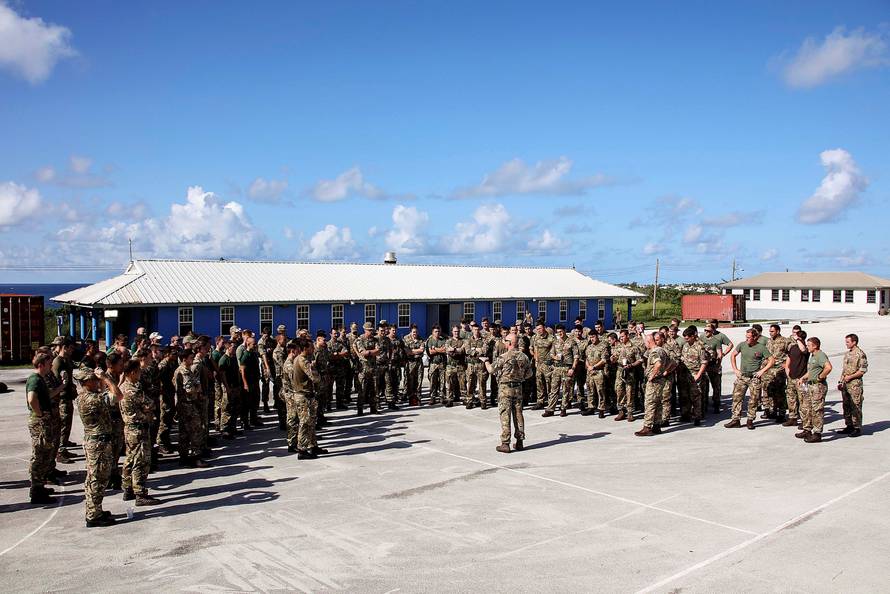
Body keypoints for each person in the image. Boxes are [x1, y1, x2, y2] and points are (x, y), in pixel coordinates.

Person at [74, 365, 123, 527]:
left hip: (93, 440)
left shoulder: (82, 397)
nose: (97, 382)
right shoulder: (94, 399)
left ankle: (95, 509)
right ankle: (93, 515)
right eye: (93, 380)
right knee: (98, 478)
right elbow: (118, 395)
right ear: (86, 382)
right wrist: (106, 378)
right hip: (98, 443)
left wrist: (101, 381)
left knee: (94, 477)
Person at [119, 359, 161, 506]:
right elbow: (150, 404)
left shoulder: (122, 386)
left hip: (129, 428)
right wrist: (147, 409)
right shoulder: (133, 390)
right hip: (138, 428)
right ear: (132, 372)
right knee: (141, 461)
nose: (140, 373)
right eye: (138, 371)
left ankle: (128, 488)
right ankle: (140, 493)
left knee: (130, 458)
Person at [26, 352, 66, 504]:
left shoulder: (40, 379)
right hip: (39, 422)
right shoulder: (35, 380)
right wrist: (39, 413)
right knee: (39, 454)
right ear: (41, 365)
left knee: (45, 453)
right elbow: (31, 399)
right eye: (49, 364)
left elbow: (47, 395)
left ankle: (40, 486)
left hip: (43, 420)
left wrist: (62, 386)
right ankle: (36, 490)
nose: (51, 366)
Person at [484, 332, 533, 453]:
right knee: (518, 414)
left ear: (510, 343)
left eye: (506, 340)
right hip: (518, 388)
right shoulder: (524, 357)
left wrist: (486, 361)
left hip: (505, 388)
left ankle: (505, 443)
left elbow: (491, 370)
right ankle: (520, 441)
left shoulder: (504, 357)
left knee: (505, 414)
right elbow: (530, 374)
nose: (504, 342)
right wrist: (519, 377)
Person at [726, 329, 774, 430]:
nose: (746, 339)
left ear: (755, 337)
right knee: (737, 398)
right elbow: (733, 355)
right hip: (742, 376)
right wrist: (735, 369)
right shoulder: (742, 345)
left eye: (749, 337)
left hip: (754, 378)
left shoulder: (761, 348)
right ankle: (736, 420)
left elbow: (771, 360)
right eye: (746, 337)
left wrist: (762, 371)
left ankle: (750, 420)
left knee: (754, 400)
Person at [292, 337, 328, 459]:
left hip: (307, 395)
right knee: (305, 423)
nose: (313, 349)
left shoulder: (301, 359)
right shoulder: (303, 361)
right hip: (303, 396)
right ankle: (302, 449)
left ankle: (313, 445)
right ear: (305, 348)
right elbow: (315, 378)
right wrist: (314, 368)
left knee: (311, 422)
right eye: (311, 347)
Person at [174, 349, 209, 467]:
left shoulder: (185, 370)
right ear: (184, 359)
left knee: (184, 432)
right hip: (188, 405)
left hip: (184, 405)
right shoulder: (184, 371)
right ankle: (196, 457)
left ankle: (183, 458)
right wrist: (198, 388)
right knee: (195, 431)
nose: (193, 360)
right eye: (191, 358)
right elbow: (190, 390)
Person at [796, 337, 832, 443]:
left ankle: (817, 434)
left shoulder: (820, 355)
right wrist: (803, 378)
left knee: (817, 410)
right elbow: (811, 371)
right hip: (811, 386)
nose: (807, 347)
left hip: (818, 387)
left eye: (809, 345)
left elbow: (828, 367)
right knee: (807, 408)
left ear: (815, 346)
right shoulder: (813, 356)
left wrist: (821, 377)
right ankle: (807, 430)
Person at [635, 332, 668, 436]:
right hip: (661, 381)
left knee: (650, 403)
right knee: (658, 404)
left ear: (649, 342)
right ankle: (657, 426)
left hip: (654, 382)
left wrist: (652, 376)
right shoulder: (662, 350)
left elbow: (658, 364)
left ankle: (647, 427)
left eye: (646, 342)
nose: (645, 344)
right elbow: (670, 362)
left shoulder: (654, 352)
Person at [543, 324, 579, 418]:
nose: (560, 333)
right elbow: (551, 354)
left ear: (564, 330)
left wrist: (573, 368)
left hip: (567, 368)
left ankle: (563, 408)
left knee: (566, 389)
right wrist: (556, 357)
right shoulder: (556, 342)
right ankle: (550, 409)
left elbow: (576, 357)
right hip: (557, 368)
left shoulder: (572, 342)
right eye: (558, 332)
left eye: (561, 331)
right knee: (553, 389)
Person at [678, 326, 709, 426]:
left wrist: (698, 375)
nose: (685, 340)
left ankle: (697, 417)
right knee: (684, 396)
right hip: (685, 374)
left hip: (695, 374)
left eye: (687, 337)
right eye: (685, 338)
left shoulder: (700, 347)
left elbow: (704, 363)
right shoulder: (686, 346)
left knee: (696, 397)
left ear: (692, 336)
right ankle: (685, 415)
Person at [838, 333, 868, 437]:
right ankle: (849, 425)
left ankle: (857, 427)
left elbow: (862, 371)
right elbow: (844, 369)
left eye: (848, 342)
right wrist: (841, 381)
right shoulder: (847, 354)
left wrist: (850, 377)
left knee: (855, 406)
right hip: (846, 384)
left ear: (854, 342)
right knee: (846, 405)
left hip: (855, 384)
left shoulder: (860, 354)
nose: (846, 344)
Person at [612, 329, 641, 422]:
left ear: (627, 336)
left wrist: (631, 365)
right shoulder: (618, 346)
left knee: (630, 392)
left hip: (630, 371)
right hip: (620, 370)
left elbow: (640, 360)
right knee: (619, 390)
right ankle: (621, 411)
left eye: (623, 336)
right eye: (620, 337)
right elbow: (615, 357)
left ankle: (630, 412)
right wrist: (612, 359)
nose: (621, 338)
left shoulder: (634, 347)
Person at [782, 330, 809, 429]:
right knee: (791, 399)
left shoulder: (806, 348)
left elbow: (803, 350)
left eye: (796, 336)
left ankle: (804, 420)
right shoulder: (792, 347)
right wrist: (787, 371)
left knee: (803, 401)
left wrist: (798, 339)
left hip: (801, 379)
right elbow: (788, 359)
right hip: (791, 378)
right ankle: (792, 418)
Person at [353, 322, 380, 415]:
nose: (371, 332)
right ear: (365, 330)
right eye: (369, 330)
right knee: (362, 389)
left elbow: (378, 351)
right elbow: (362, 352)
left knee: (374, 388)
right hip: (363, 368)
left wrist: (368, 352)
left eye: (372, 330)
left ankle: (374, 408)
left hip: (373, 367)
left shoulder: (375, 339)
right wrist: (371, 352)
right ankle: (360, 409)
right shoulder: (360, 339)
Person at [582, 331, 610, 417]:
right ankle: (591, 407)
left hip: (599, 371)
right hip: (590, 372)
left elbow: (604, 359)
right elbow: (586, 358)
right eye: (590, 337)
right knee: (590, 390)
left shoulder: (603, 346)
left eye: (593, 337)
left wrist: (594, 366)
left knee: (600, 390)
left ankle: (601, 409)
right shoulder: (589, 347)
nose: (592, 339)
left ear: (597, 336)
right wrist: (588, 366)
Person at [530, 322, 555, 410]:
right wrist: (536, 360)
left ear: (544, 328)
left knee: (549, 383)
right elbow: (535, 349)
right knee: (539, 383)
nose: (539, 331)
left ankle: (550, 402)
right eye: (537, 329)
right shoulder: (535, 337)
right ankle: (540, 401)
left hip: (548, 364)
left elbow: (554, 351)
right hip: (539, 364)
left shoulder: (551, 338)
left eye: (540, 328)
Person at [464, 322, 488, 409]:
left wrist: (474, 350)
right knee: (470, 383)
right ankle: (470, 400)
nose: (476, 331)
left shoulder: (484, 340)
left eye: (478, 329)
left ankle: (483, 401)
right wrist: (477, 351)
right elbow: (467, 351)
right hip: (471, 365)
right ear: (472, 330)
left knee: (482, 384)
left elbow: (484, 350)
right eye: (475, 330)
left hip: (480, 365)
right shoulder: (468, 340)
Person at [444, 325, 467, 407]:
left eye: (457, 331)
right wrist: (457, 350)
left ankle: (464, 398)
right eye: (455, 331)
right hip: (451, 366)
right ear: (452, 332)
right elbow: (448, 351)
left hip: (461, 366)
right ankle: (449, 399)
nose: (456, 333)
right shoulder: (448, 341)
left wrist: (454, 349)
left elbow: (463, 350)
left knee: (462, 383)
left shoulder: (463, 341)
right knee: (449, 383)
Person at [402, 325, 425, 406]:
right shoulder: (406, 339)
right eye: (413, 332)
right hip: (410, 363)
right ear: (410, 332)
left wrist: (412, 351)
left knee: (419, 380)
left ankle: (418, 397)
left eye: (416, 332)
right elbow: (407, 351)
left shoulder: (421, 339)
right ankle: (410, 396)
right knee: (409, 380)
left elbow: (422, 350)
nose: (415, 333)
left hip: (419, 362)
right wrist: (416, 351)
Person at [425, 326, 447, 405]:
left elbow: (445, 350)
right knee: (432, 381)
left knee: (442, 381)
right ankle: (432, 397)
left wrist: (436, 349)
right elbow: (431, 352)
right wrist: (439, 349)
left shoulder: (443, 340)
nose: (437, 333)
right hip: (433, 363)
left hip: (442, 363)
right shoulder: (430, 341)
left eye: (438, 331)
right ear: (432, 332)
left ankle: (442, 396)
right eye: (435, 331)